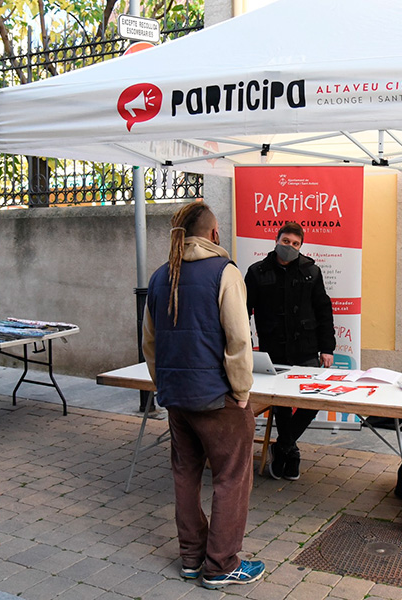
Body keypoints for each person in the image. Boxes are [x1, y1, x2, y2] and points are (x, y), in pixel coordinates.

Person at [142, 201, 264, 590]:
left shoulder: (162, 276)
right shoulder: (224, 272)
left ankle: (192, 559)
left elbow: (149, 342)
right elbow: (239, 338)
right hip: (218, 398)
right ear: (214, 233)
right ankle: (222, 564)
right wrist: (242, 391)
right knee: (231, 478)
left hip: (176, 397)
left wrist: (162, 383)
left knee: (185, 476)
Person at [245, 222, 336, 481]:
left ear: (301, 246)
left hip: (306, 349)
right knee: (282, 406)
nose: (290, 247)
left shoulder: (311, 271)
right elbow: (243, 310)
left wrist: (327, 348)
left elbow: (323, 310)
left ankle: (282, 445)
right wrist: (244, 344)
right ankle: (291, 453)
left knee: (313, 401)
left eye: (295, 244)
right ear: (277, 240)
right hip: (273, 351)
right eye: (286, 242)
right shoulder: (257, 272)